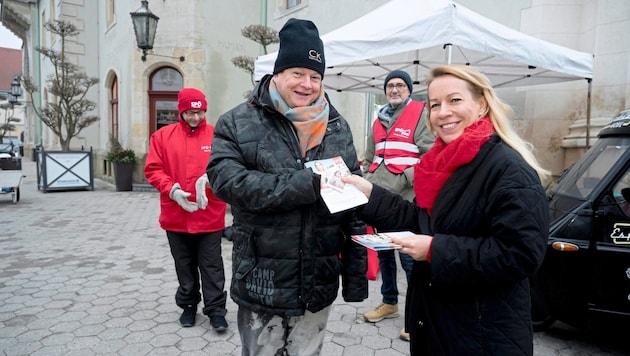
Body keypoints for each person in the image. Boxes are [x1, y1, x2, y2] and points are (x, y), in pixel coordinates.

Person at [343, 64, 549, 355]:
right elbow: (420, 220)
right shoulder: (442, 164)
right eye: (435, 105)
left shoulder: (508, 169)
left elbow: (520, 255)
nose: (443, 113)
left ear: (481, 105)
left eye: (454, 100)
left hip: (482, 335)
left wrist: (433, 250)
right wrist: (369, 196)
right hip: (439, 325)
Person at [206, 18, 368, 355]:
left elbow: (352, 208)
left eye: (315, 76)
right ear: (277, 74)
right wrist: (305, 184)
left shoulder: (337, 126)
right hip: (262, 278)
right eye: (298, 73)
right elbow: (225, 180)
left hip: (317, 280)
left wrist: (355, 278)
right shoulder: (238, 121)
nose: (307, 84)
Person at [144, 87, 229, 332]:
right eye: (190, 113)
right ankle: (189, 304)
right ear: (180, 111)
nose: (195, 118)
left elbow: (227, 167)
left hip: (208, 214)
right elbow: (153, 169)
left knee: (212, 265)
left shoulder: (217, 136)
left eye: (200, 112)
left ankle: (216, 311)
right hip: (176, 215)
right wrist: (171, 190)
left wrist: (211, 180)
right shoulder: (162, 137)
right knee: (184, 264)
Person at [361, 70, 434, 341]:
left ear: (409, 89)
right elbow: (370, 154)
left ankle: (415, 315)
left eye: (399, 85)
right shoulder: (379, 118)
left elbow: (430, 153)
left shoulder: (420, 113)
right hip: (379, 198)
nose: (394, 90)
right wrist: (367, 179)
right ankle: (389, 302)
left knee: (408, 260)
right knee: (383, 255)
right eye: (390, 85)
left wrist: (406, 177)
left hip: (405, 199)